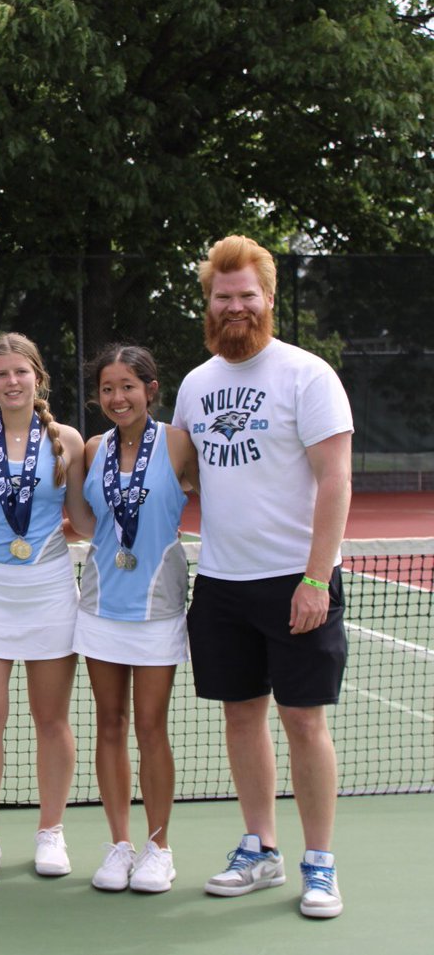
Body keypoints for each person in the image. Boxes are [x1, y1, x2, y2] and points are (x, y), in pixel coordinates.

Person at [172, 235, 353, 919]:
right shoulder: (196, 384)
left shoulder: (307, 375)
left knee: (303, 721)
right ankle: (261, 847)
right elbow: (177, 472)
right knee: (241, 717)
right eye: (224, 297)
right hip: (220, 584)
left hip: (295, 581)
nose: (236, 306)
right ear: (209, 303)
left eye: (248, 295)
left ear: (268, 299)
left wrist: (316, 579)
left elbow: (336, 480)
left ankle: (319, 862)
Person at [0, 332, 89, 886]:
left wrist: (139, 530)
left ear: (38, 377)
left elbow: (82, 518)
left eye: (21, 372)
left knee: (51, 720)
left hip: (51, 588)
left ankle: (51, 832)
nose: (12, 382)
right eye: (0, 374)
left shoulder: (68, 440)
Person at [73, 344, 198, 893]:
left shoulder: (178, 443)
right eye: (107, 388)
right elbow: (82, 519)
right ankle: (120, 844)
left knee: (151, 727)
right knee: (109, 725)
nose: (117, 397)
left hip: (157, 609)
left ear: (150, 388)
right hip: (100, 603)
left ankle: (158, 848)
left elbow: (219, 499)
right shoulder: (94, 447)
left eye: (128, 385)